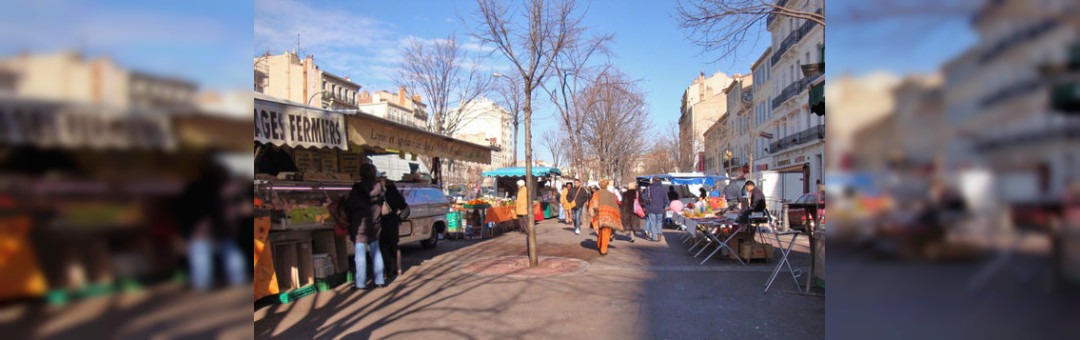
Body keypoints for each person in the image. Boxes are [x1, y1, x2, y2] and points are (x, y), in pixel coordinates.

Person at [347, 163, 386, 290]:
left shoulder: (357, 188)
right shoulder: (380, 187)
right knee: (376, 251)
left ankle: (360, 283)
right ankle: (379, 281)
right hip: (375, 223)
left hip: (360, 224)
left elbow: (351, 206)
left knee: (360, 254)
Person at [379, 172, 407, 283]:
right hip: (394, 222)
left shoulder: (381, 195)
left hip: (383, 222)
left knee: (383, 246)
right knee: (394, 245)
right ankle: (399, 269)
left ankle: (388, 270)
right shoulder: (396, 194)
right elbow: (403, 206)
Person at [590, 179, 623, 255]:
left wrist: (593, 213)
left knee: (600, 231)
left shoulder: (596, 193)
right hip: (607, 216)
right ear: (607, 185)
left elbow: (593, 204)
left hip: (599, 215)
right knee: (606, 231)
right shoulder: (610, 194)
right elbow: (614, 206)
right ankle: (603, 249)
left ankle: (599, 245)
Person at [642, 176, 668, 242]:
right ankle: (659, 233)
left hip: (651, 208)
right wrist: (663, 205)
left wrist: (646, 206)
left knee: (652, 223)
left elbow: (644, 198)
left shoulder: (649, 189)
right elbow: (666, 200)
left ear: (653, 181)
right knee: (659, 222)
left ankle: (654, 237)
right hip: (660, 208)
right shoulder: (663, 190)